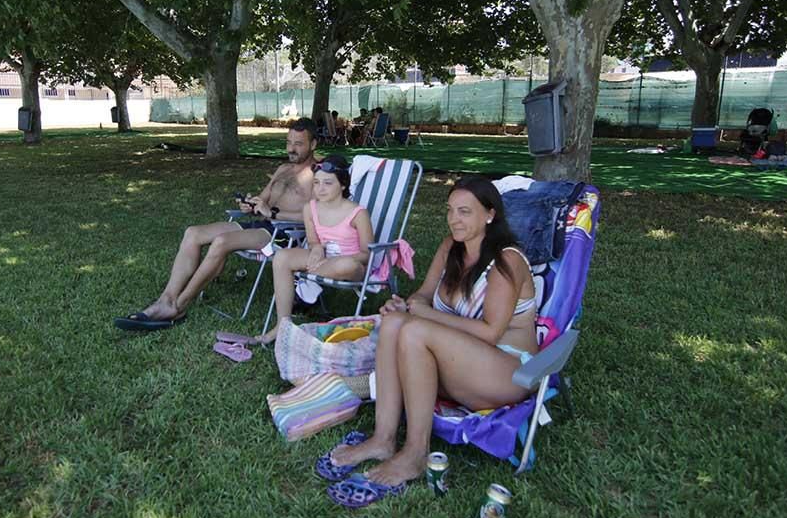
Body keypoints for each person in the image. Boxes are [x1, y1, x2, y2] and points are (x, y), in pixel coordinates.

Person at [328, 176, 537, 491]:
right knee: (396, 322)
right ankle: (383, 439)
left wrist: (424, 315)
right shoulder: (450, 248)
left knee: (413, 331)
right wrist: (408, 305)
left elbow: (491, 332)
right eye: (450, 210)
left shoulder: (506, 260)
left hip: (507, 371)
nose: (454, 219)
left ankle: (415, 453)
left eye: (465, 211)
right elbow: (423, 296)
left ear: (490, 214)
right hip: (462, 365)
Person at [114, 118, 318, 331]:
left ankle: (178, 306)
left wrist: (274, 212)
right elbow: (264, 198)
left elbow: (317, 217)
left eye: (298, 144)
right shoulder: (283, 168)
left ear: (313, 145)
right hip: (260, 224)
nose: (291, 149)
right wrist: (252, 203)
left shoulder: (318, 175)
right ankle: (166, 299)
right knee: (192, 233)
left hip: (284, 234)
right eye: (288, 142)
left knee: (221, 242)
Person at [269, 156, 373, 340]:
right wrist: (316, 249)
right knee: (281, 257)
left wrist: (328, 261)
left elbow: (367, 254)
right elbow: (314, 241)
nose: (320, 188)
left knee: (346, 265)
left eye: (328, 183)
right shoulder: (311, 208)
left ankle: (308, 280)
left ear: (342, 185)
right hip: (321, 260)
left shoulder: (358, 213)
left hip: (349, 264)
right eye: (316, 183)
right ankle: (282, 325)